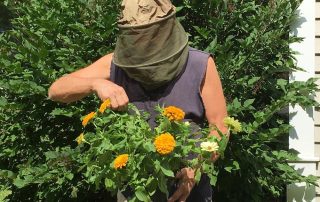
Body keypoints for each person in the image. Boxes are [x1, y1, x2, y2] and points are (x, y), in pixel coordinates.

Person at [48, 0, 228, 201]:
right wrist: (96, 84)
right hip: (134, 188)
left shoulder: (200, 64)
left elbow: (219, 126)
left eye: (151, 34)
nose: (145, 41)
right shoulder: (115, 64)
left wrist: (197, 167)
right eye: (138, 35)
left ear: (167, 28)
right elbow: (56, 89)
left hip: (188, 188)